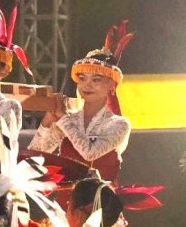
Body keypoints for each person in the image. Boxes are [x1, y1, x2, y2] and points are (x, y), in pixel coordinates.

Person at [28, 22, 133, 184]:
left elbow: (90, 153)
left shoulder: (119, 124)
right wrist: (47, 122)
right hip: (66, 202)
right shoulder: (69, 119)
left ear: (112, 85)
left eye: (96, 80)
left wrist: (62, 117)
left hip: (101, 201)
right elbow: (34, 157)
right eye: (82, 79)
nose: (87, 85)